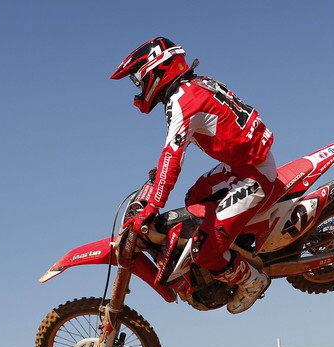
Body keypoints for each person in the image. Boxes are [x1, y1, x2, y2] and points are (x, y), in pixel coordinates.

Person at [110, 36, 277, 313]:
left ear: (155, 70)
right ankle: (231, 242)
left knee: (206, 252)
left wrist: (152, 205)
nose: (138, 88)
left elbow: (172, 155)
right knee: (194, 199)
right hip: (241, 164)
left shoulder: (183, 101)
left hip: (254, 174)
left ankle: (252, 280)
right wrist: (158, 178)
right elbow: (178, 149)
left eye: (138, 80)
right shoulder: (198, 83)